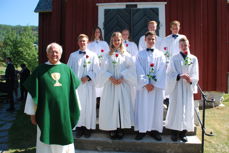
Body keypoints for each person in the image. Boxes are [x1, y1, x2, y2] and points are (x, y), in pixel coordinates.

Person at [24, 42, 81, 153]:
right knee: (45, 142)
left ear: (60, 54)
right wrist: (32, 113)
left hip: (63, 113)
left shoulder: (67, 70)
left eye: (56, 52)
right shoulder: (39, 71)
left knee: (64, 137)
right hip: (45, 113)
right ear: (47, 54)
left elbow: (74, 92)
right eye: (51, 51)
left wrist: (76, 108)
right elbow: (32, 94)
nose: (54, 54)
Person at [98, 32, 137, 139]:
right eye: (114, 40)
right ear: (112, 41)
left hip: (122, 83)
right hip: (111, 84)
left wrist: (123, 77)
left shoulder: (126, 55)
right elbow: (102, 70)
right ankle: (112, 128)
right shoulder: (107, 55)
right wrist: (110, 77)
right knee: (111, 106)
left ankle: (120, 128)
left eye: (118, 40)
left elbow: (131, 68)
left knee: (121, 106)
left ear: (121, 41)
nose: (116, 42)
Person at [165, 38, 199, 142]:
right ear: (179, 46)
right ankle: (174, 133)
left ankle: (183, 133)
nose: (184, 47)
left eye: (186, 45)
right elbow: (169, 73)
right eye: (182, 45)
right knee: (176, 108)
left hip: (187, 88)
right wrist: (179, 76)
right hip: (177, 87)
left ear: (189, 45)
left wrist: (191, 79)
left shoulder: (193, 58)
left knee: (187, 109)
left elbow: (195, 73)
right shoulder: (174, 58)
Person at [135, 31, 166, 141]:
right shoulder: (140, 54)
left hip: (155, 88)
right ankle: (142, 130)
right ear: (145, 40)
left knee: (155, 108)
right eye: (149, 39)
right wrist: (145, 83)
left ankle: (154, 130)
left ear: (155, 40)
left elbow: (162, 70)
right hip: (144, 88)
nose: (151, 41)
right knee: (143, 107)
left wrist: (153, 83)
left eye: (153, 39)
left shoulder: (160, 55)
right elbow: (138, 69)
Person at [67, 34, 100, 138]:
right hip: (77, 87)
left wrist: (88, 77)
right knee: (78, 106)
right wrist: (75, 79)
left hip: (89, 86)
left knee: (89, 107)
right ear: (78, 42)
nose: (82, 43)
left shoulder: (93, 55)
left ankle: (88, 128)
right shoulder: (73, 55)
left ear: (87, 42)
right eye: (80, 41)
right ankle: (79, 127)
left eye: (84, 41)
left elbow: (97, 70)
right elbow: (69, 70)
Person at [87, 27, 109, 102]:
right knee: (94, 83)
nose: (97, 33)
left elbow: (107, 54)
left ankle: (101, 101)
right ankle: (95, 101)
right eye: (95, 32)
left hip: (102, 66)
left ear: (100, 33)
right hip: (93, 66)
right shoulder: (89, 44)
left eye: (98, 32)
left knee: (102, 83)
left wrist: (102, 61)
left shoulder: (104, 43)